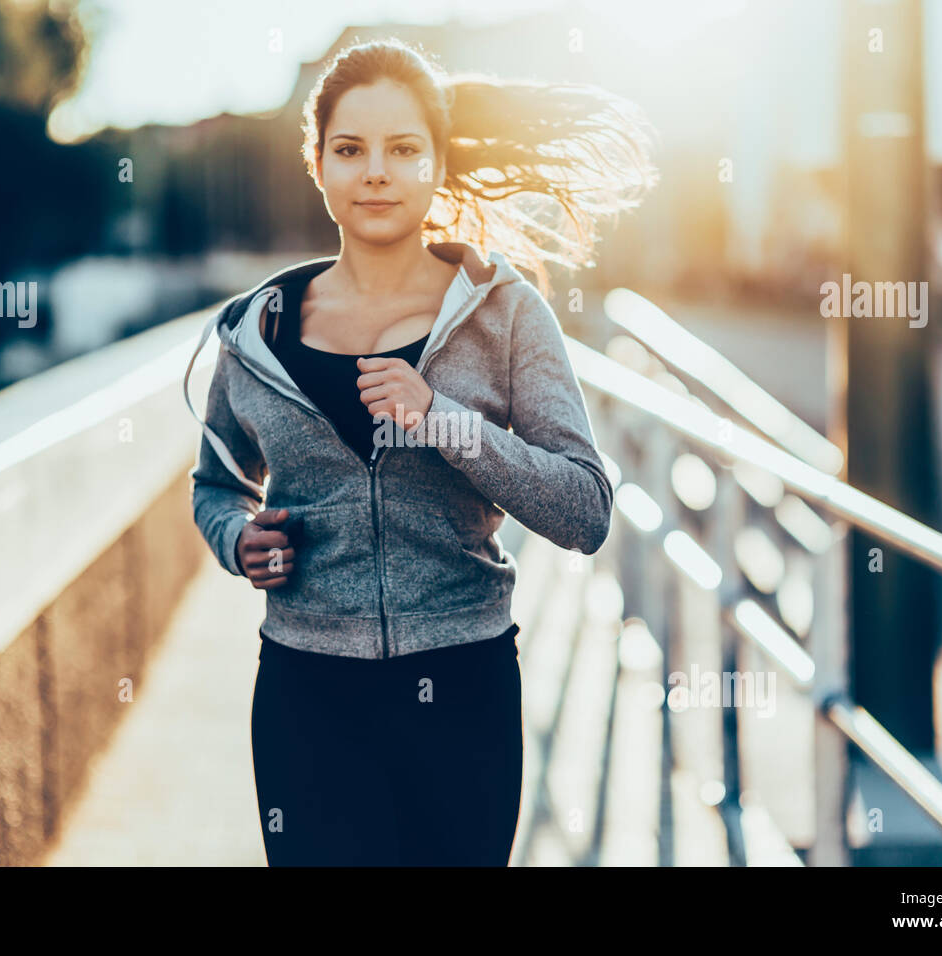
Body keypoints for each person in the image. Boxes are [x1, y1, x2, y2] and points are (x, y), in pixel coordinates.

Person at [183, 36, 657, 866]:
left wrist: (444, 420)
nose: (376, 172)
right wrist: (237, 539)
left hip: (463, 689)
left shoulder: (506, 314)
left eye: (404, 149)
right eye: (351, 149)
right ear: (318, 164)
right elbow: (217, 485)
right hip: (307, 694)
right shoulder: (257, 334)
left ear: (438, 165)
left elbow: (586, 510)